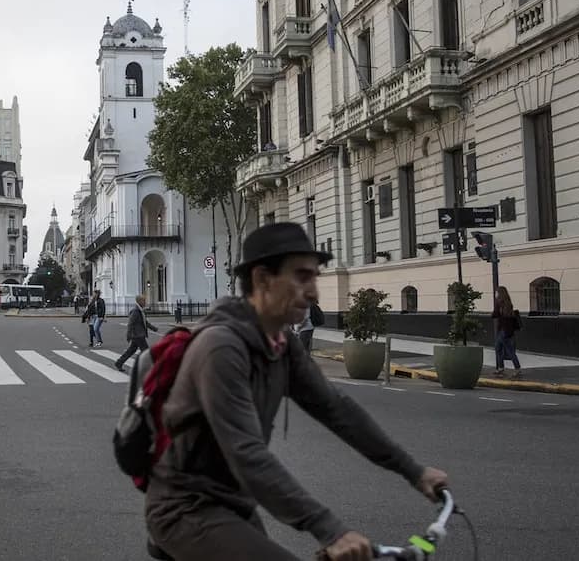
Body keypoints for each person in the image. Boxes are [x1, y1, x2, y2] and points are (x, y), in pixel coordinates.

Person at [144, 222, 447, 561]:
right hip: (185, 507)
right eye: (302, 277)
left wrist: (414, 471)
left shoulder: (281, 344)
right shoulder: (221, 348)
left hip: (233, 502)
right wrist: (329, 529)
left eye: (314, 277)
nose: (314, 292)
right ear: (262, 279)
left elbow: (337, 409)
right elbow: (245, 451)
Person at [115, 295, 159, 371]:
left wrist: (154, 328)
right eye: (144, 301)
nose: (145, 302)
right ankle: (152, 368)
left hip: (138, 335)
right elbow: (130, 323)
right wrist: (128, 335)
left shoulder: (140, 310)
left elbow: (145, 322)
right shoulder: (136, 311)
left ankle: (119, 362)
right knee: (146, 352)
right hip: (138, 335)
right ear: (139, 301)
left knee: (131, 350)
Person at [491, 286, 523, 378]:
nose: (495, 294)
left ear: (500, 294)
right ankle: (502, 367)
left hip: (503, 331)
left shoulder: (499, 303)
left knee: (506, 350)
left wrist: (495, 307)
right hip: (508, 330)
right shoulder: (508, 303)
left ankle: (516, 368)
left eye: (496, 292)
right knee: (500, 348)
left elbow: (494, 315)